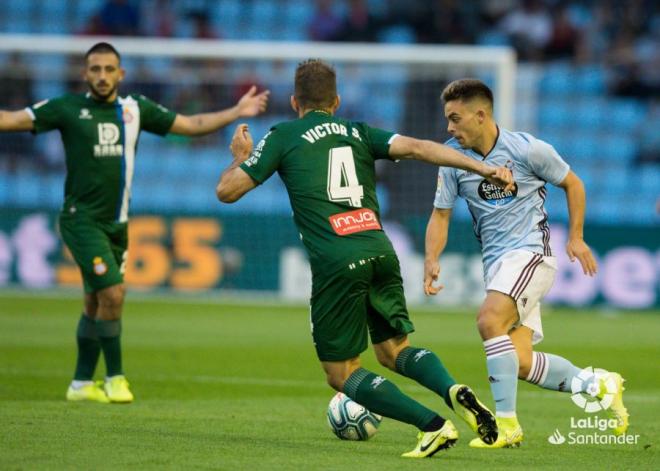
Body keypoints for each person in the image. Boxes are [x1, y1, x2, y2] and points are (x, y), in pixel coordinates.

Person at [215, 59, 515, 458]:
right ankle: (452, 389)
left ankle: (434, 425)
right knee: (394, 351)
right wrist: (484, 167)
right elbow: (421, 148)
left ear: (293, 101)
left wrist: (240, 156)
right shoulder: (358, 132)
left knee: (341, 373)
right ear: (336, 101)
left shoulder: (282, 135)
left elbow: (227, 192)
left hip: (337, 260)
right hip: (380, 249)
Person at [0, 42, 269, 404]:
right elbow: (11, 119)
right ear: (84, 74)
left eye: (109, 69)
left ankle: (81, 384)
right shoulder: (66, 108)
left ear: (120, 74)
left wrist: (236, 110)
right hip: (81, 221)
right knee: (114, 292)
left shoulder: (134, 109)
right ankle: (115, 378)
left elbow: (190, 124)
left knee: (96, 301)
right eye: (94, 69)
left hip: (118, 224)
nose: (101, 76)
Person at [424, 78, 629, 448]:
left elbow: (574, 183)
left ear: (481, 115)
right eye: (448, 120)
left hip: (531, 254)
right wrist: (432, 258)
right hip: (498, 266)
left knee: (488, 321)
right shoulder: (453, 157)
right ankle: (597, 384)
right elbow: (440, 215)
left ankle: (507, 426)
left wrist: (577, 237)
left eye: (455, 119)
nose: (449, 127)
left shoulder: (527, 149)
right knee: (518, 362)